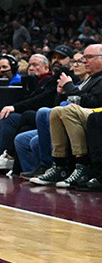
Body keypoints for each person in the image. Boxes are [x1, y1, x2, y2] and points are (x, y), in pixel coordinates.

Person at [29, 43, 102, 187]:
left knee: (60, 111)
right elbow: (71, 100)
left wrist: (69, 87)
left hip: (96, 114)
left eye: (88, 57)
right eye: (83, 58)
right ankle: (59, 166)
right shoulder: (89, 79)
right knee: (56, 111)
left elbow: (93, 102)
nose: (84, 61)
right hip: (78, 116)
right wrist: (62, 93)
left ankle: (82, 166)